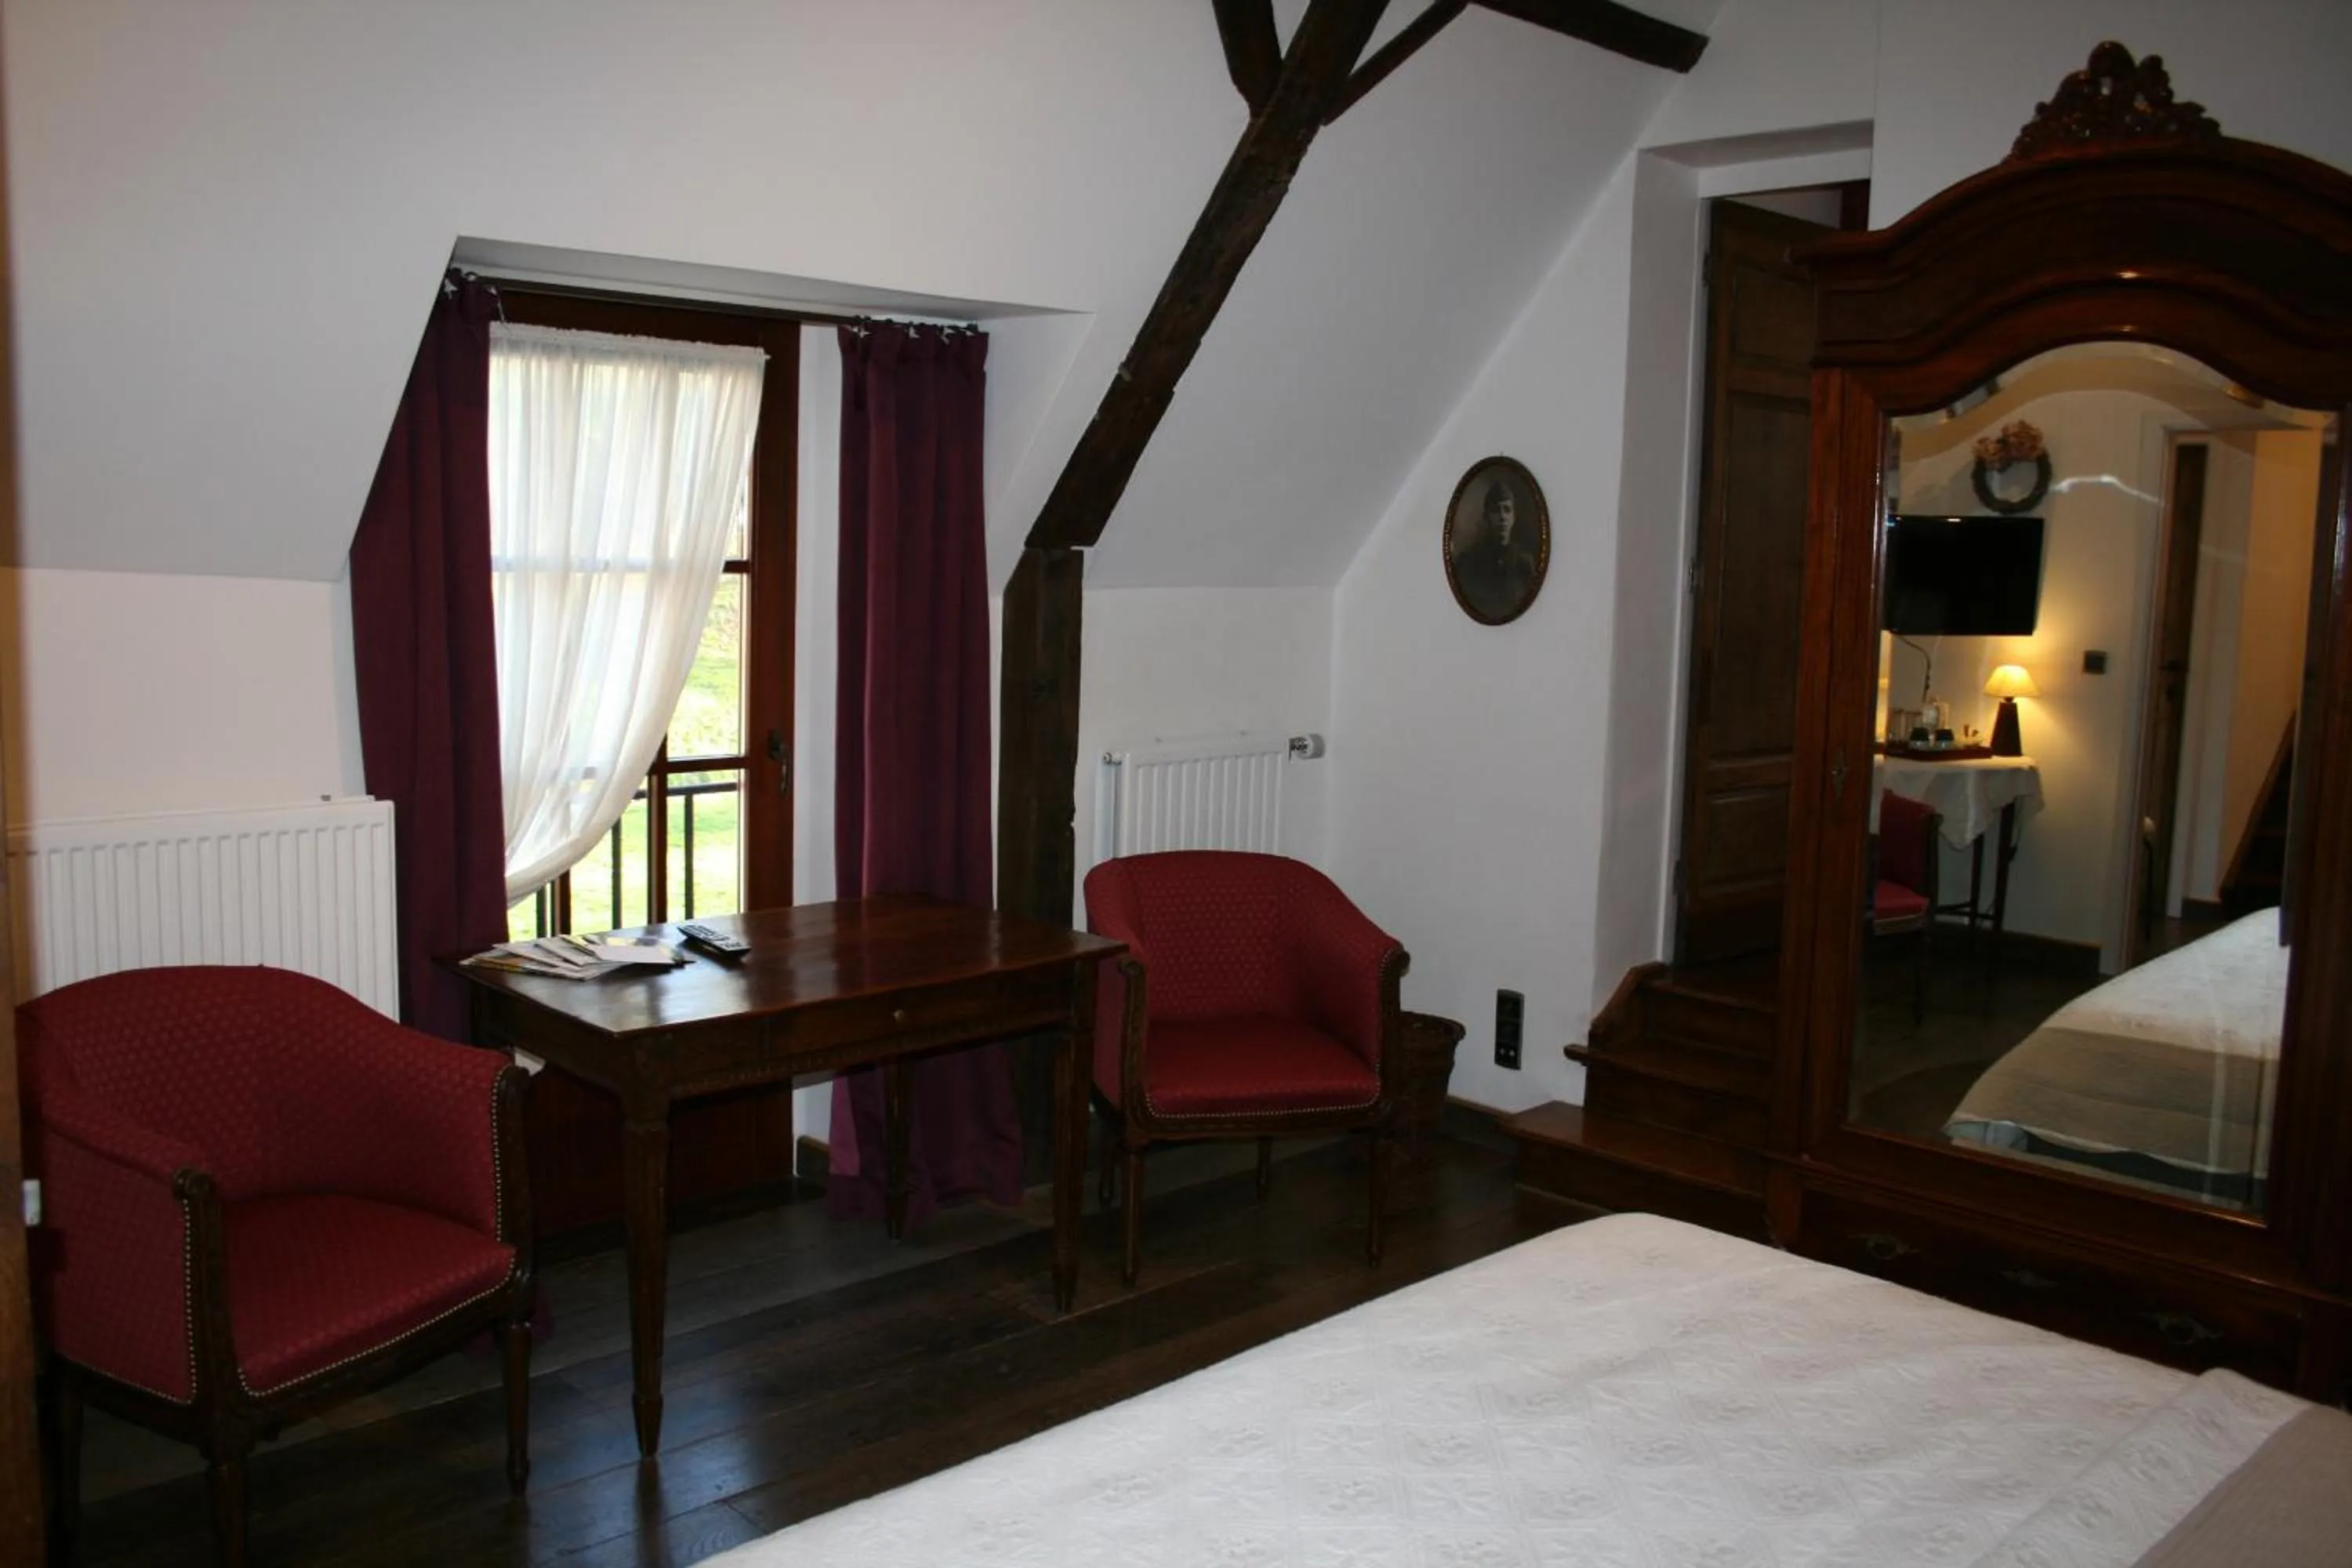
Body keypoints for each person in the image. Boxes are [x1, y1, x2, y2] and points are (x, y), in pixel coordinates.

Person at [1452, 477, 1537, 619]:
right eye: (1496, 510)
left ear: (1514, 517)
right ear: (1486, 516)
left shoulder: (1524, 564)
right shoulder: (1468, 562)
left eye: (1507, 510)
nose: (1503, 517)